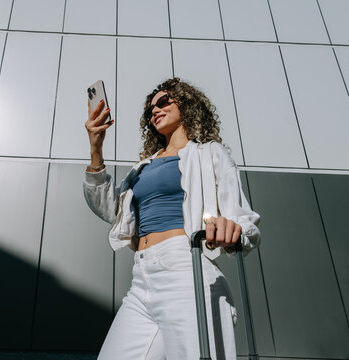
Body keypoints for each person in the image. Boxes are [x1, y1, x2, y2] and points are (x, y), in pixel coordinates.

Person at [83, 78, 260, 359]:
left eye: (164, 101)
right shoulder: (142, 167)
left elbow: (242, 220)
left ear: (187, 105)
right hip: (141, 279)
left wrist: (233, 229)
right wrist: (96, 149)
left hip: (185, 271)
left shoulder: (208, 154)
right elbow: (109, 210)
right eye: (150, 109)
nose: (155, 109)